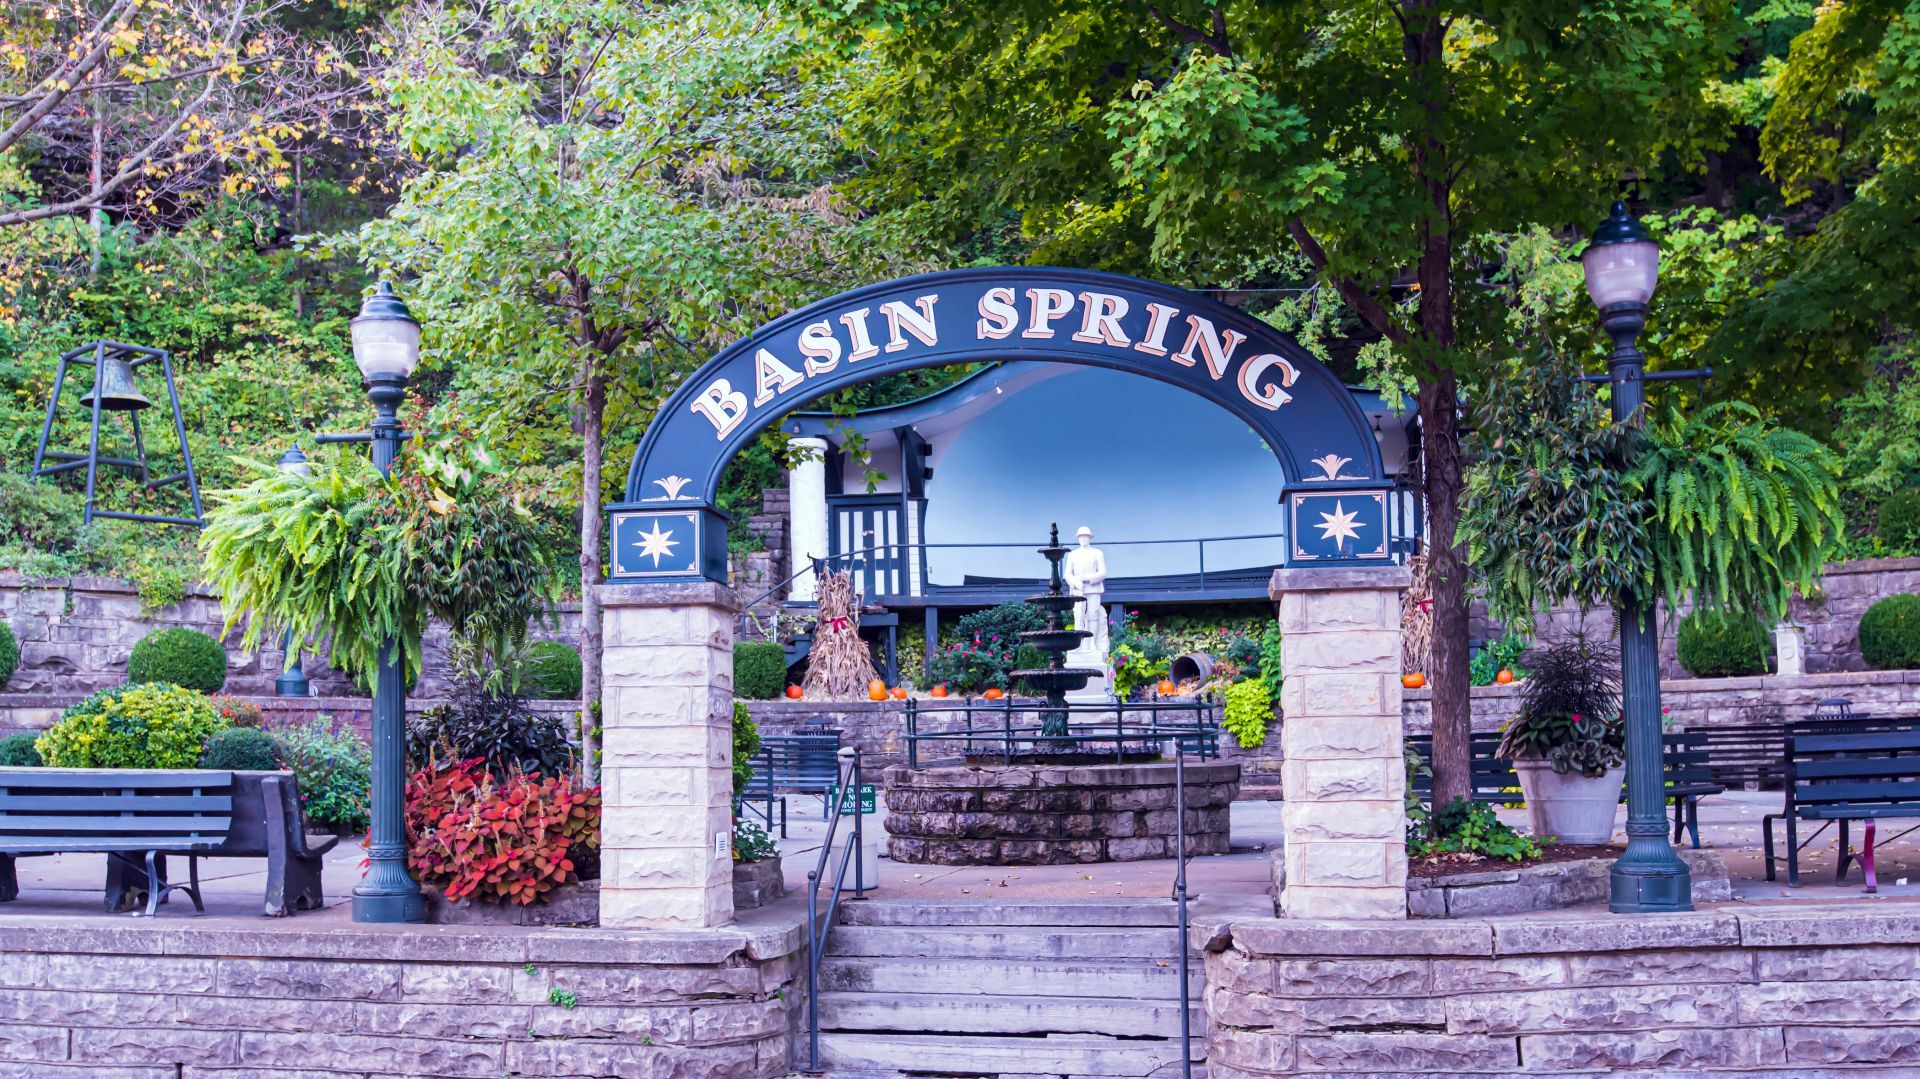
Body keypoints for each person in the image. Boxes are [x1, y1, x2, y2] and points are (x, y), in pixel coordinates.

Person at [1062, 526, 1108, 653]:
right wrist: (1076, 583)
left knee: (1093, 615)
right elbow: (1067, 574)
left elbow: (1103, 573)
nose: (1083, 539)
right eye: (1081, 537)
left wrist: (1086, 578)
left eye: (1085, 536)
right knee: (1078, 616)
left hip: (1093, 589)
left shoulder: (1097, 553)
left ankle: (1092, 643)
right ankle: (1079, 644)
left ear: (1089, 538)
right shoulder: (1072, 555)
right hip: (1078, 590)